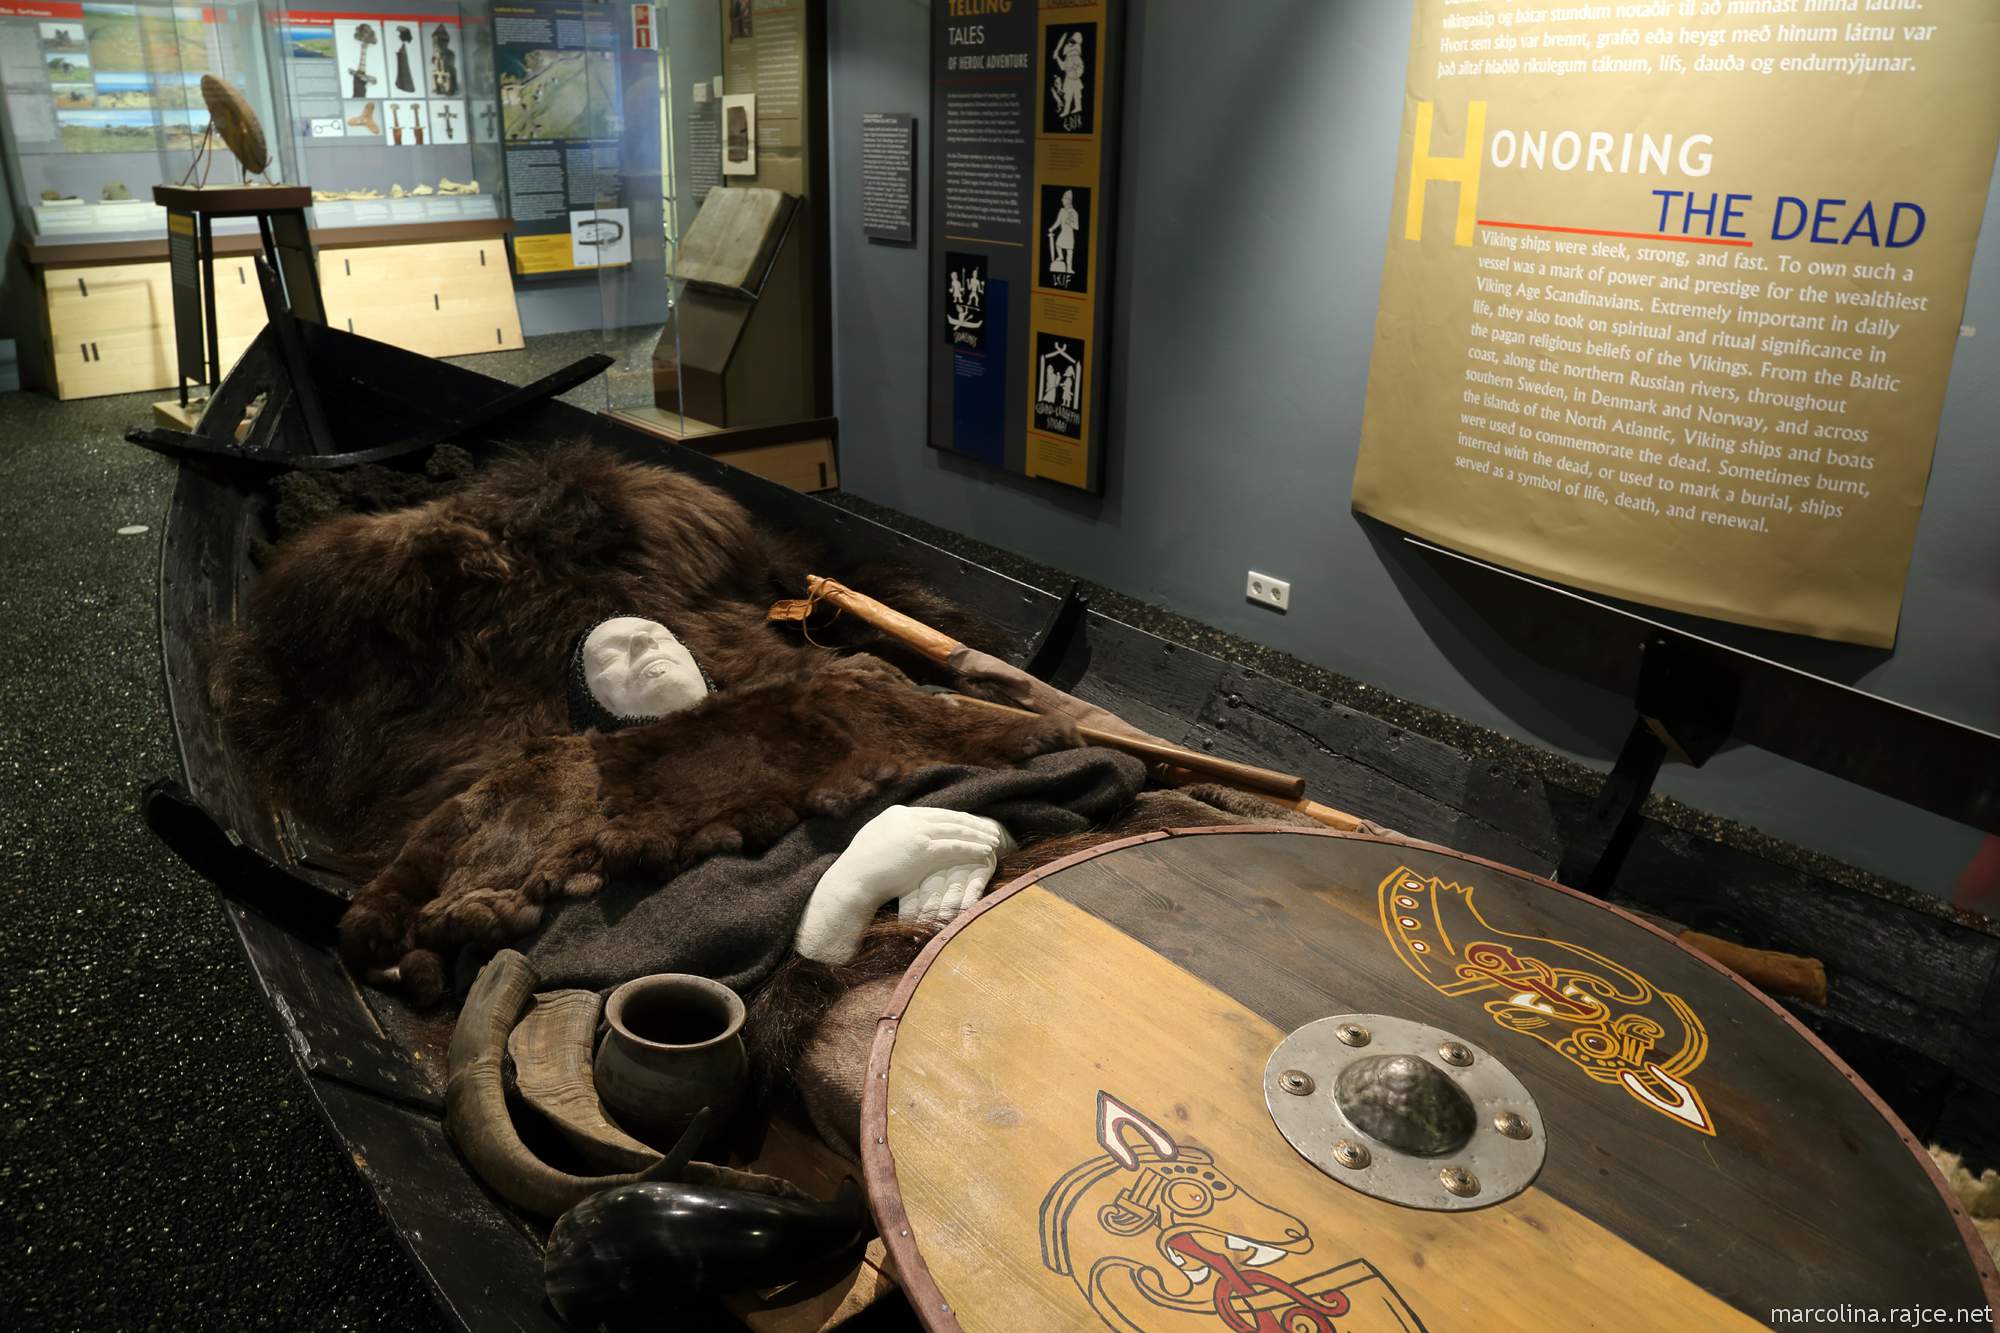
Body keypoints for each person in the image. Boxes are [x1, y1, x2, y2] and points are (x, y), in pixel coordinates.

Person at [1048, 188, 1080, 276]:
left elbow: (1077, 227)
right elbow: (1058, 222)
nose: (1062, 200)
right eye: (1063, 199)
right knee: (1058, 244)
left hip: (1069, 235)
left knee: (1069, 252)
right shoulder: (1062, 211)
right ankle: (1061, 256)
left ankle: (1069, 268)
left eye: (1064, 199)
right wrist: (1052, 228)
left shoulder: (1074, 213)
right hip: (1063, 233)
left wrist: (1070, 223)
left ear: (1068, 200)